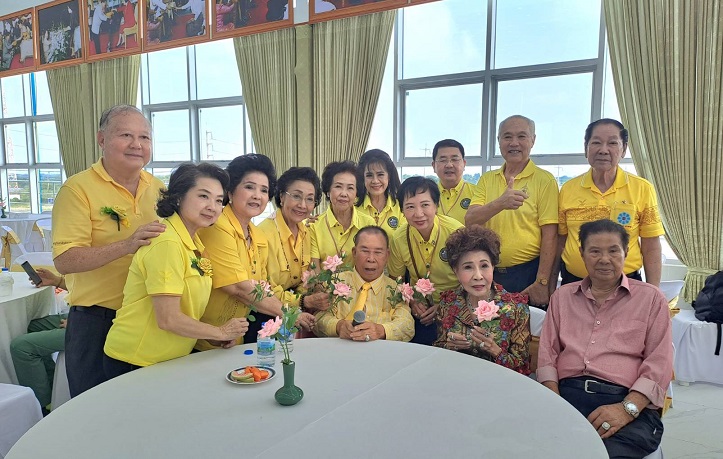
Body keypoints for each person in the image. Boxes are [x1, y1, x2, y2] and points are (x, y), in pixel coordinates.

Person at [52, 105, 166, 397]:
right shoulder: (77, 189)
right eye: (126, 135)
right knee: (94, 408)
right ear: (101, 139)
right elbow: (65, 260)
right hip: (96, 322)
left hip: (148, 319)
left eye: (144, 137)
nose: (137, 144)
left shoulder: (158, 188)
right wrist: (128, 245)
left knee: (144, 405)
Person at [538, 219, 672, 458]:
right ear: (582, 253)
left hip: (625, 399)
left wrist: (626, 409)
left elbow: (659, 363)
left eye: (613, 251)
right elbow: (547, 355)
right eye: (595, 251)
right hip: (566, 396)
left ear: (626, 252)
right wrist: (554, 405)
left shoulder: (651, 299)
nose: (604, 259)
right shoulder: (562, 298)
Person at [103, 163, 248, 378]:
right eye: (203, 196)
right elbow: (168, 319)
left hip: (168, 359)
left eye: (219, 200)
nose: (212, 206)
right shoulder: (167, 242)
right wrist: (220, 331)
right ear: (179, 197)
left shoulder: (193, 242)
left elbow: (187, 309)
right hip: (136, 360)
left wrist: (212, 336)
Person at [197, 155, 315, 350]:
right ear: (231, 191)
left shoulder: (257, 235)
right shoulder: (218, 226)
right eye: (249, 187)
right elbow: (239, 287)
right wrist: (290, 314)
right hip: (206, 338)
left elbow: (262, 287)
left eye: (264, 190)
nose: (257, 196)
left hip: (234, 337)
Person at [557, 118, 664, 287]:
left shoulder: (642, 188)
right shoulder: (568, 189)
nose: (603, 150)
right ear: (586, 148)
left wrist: (654, 291)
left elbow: (651, 245)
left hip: (627, 284)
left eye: (612, 143)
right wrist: (548, 283)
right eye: (596, 143)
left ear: (624, 149)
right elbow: (560, 241)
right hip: (574, 283)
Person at [466, 115, 558, 307]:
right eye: (507, 137)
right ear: (499, 141)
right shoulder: (487, 179)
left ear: (533, 140)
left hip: (527, 274)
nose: (514, 143)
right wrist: (500, 203)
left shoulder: (545, 180)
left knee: (528, 325)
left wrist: (542, 282)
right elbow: (470, 220)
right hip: (488, 273)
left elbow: (550, 236)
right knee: (488, 324)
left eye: (521, 136)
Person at [433, 226, 531, 375]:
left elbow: (522, 368)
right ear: (456, 271)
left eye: (484, 266)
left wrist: (495, 350)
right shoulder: (448, 304)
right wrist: (449, 346)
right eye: (468, 267)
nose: (478, 276)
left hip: (499, 382)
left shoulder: (516, 309)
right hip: (456, 378)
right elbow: (437, 354)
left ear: (493, 267)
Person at [388, 176, 464, 345]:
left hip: (457, 308)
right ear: (402, 210)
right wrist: (412, 302)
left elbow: (472, 280)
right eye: (410, 207)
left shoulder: (456, 233)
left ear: (436, 206)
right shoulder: (399, 238)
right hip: (421, 312)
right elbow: (396, 280)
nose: (418, 214)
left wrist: (444, 306)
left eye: (425, 205)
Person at [314, 226, 414, 342]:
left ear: (387, 255)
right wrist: (338, 326)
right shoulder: (334, 282)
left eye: (378, 252)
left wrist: (381, 330)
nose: (371, 259)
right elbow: (318, 319)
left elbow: (407, 325)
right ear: (354, 252)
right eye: (365, 251)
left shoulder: (397, 290)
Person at [257, 167, 329, 313]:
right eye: (296, 196)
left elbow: (307, 276)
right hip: (266, 311)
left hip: (296, 308)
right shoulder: (263, 235)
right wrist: (303, 301)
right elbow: (263, 289)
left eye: (309, 199)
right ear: (282, 196)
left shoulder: (306, 232)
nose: (302, 205)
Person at [10, 269, 67, 415]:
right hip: (82, 314)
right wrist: (57, 281)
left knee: (21, 347)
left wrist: (80, 320)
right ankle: (50, 388)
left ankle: (42, 407)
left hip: (98, 324)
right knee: (29, 326)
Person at [309, 161, 375, 269]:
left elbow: (370, 263)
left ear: (356, 194)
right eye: (338, 186)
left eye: (350, 188)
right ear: (328, 191)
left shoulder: (368, 224)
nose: (344, 194)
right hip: (322, 280)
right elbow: (314, 269)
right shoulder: (314, 226)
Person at [355, 149, 405, 239]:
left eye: (380, 174)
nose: (375, 181)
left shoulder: (401, 206)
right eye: (369, 175)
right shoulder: (353, 206)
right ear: (363, 178)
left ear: (389, 176)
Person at [431, 139, 476, 225]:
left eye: (455, 159)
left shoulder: (477, 193)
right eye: (443, 160)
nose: (449, 165)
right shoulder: (428, 194)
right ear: (433, 166)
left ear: (464, 164)